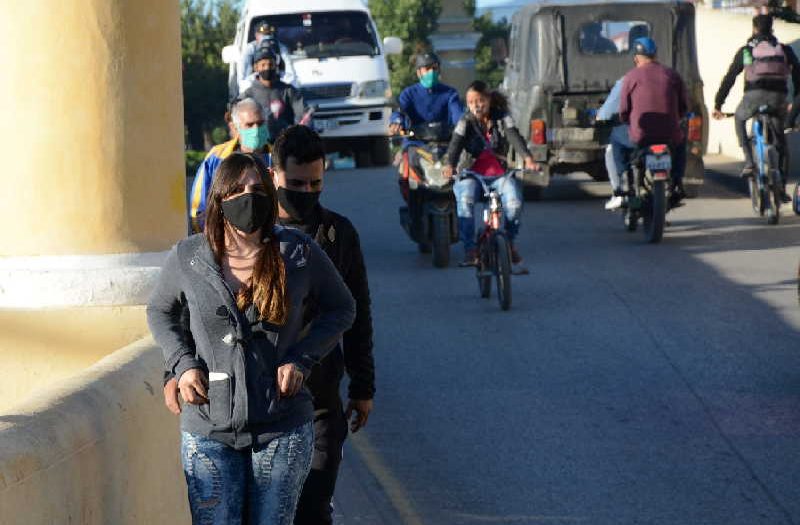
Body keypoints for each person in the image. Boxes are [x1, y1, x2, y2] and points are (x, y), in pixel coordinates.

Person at [148, 152, 356, 525]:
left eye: (258, 188)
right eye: (238, 190)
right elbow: (161, 312)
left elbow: (342, 308)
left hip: (283, 425)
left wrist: (302, 359)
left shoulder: (298, 252)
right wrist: (181, 365)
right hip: (209, 427)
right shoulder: (189, 256)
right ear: (220, 199)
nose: (249, 197)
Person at [442, 81, 537, 273]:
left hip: (500, 175)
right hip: (471, 175)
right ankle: (470, 249)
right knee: (465, 200)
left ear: (489, 100)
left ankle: (509, 244)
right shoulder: (464, 121)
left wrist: (528, 158)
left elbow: (514, 136)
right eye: (471, 102)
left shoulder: (502, 118)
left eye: (481, 100)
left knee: (514, 203)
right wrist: (449, 165)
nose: (477, 105)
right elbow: (455, 144)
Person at [713, 14, 800, 201]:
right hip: (778, 98)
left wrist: (718, 104)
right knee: (782, 145)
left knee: (739, 118)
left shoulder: (746, 51)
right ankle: (782, 188)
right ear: (772, 29)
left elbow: (730, 78)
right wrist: (794, 101)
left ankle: (749, 161)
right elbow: (798, 75)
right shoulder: (783, 49)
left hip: (753, 97)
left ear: (754, 29)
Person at [618, 37, 689, 207]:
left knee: (615, 138)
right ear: (655, 55)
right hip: (669, 134)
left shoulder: (630, 77)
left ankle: (625, 179)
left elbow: (623, 111)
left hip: (641, 136)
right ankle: (678, 181)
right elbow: (684, 107)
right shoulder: (672, 75)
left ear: (636, 57)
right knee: (681, 143)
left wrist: (627, 121)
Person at [189, 98, 272, 233]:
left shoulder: (276, 158)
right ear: (235, 127)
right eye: (249, 125)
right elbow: (198, 207)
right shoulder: (216, 157)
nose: (256, 130)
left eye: (260, 123)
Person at [389, 52, 463, 201]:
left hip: (445, 144)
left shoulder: (450, 93)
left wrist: (464, 124)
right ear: (418, 72)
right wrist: (397, 122)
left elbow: (459, 115)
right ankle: (413, 208)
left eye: (434, 68)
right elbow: (399, 112)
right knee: (407, 177)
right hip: (417, 144)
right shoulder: (408, 94)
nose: (431, 72)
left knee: (462, 175)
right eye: (427, 69)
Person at [242, 47, 306, 144]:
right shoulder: (248, 94)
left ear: (276, 66)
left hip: (285, 145)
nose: (267, 68)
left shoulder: (288, 91)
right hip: (258, 145)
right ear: (256, 67)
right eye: (263, 65)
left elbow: (301, 114)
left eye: (270, 64)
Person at [596, 77, 630, 210]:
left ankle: (619, 191)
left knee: (611, 149)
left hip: (637, 134)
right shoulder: (668, 76)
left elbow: (605, 113)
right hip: (666, 133)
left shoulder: (626, 81)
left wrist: (600, 117)